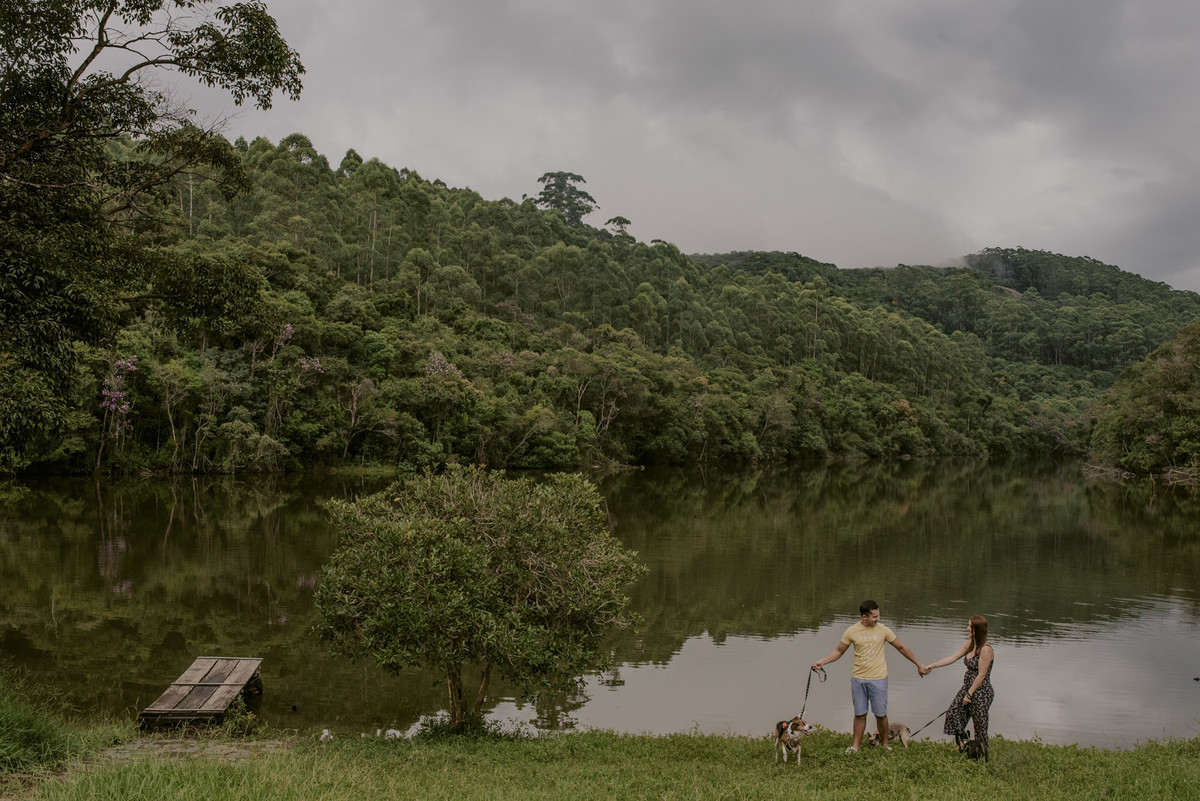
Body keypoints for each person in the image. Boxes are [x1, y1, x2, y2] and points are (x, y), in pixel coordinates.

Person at [811, 599, 927, 753]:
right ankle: (855, 746)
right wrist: (822, 662)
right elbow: (839, 651)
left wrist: (918, 664)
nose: (878, 619)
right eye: (874, 617)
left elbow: (901, 647)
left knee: (880, 714)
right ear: (864, 617)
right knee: (859, 713)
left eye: (878, 615)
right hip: (858, 679)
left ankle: (885, 745)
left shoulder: (883, 630)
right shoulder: (851, 631)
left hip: (879, 679)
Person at [921, 614, 995, 757]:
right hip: (967, 688)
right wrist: (932, 666)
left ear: (977, 630)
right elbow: (952, 658)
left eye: (970, 627)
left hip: (981, 692)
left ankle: (982, 753)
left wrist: (969, 694)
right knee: (954, 714)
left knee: (980, 725)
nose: (967, 628)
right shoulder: (969, 644)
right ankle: (964, 745)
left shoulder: (985, 649)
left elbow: (981, 675)